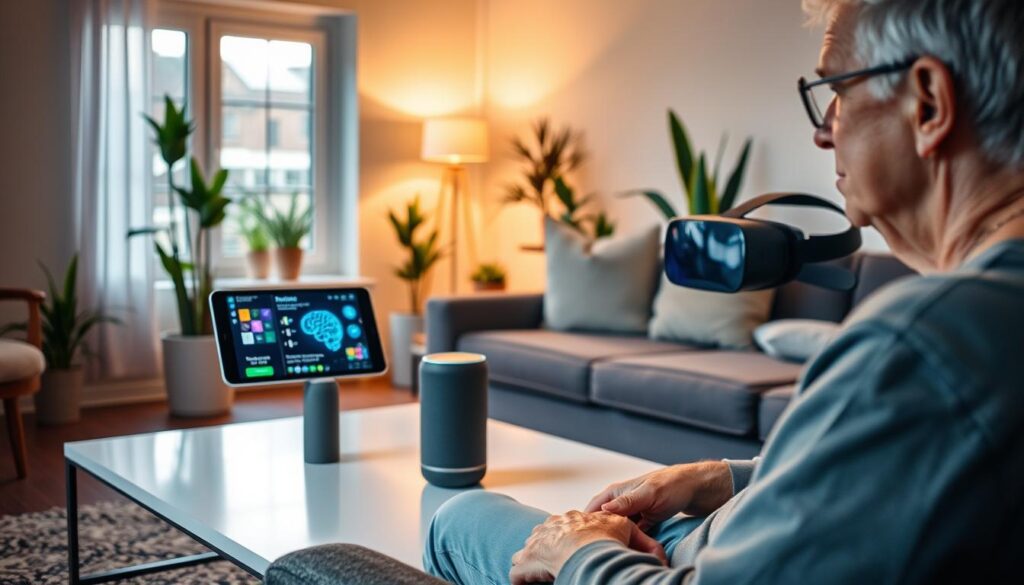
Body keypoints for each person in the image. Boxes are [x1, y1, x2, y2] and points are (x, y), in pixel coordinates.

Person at [423, 0, 1024, 582]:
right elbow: (882, 474)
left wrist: (578, 551)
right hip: (731, 532)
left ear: (928, 103)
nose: (824, 134)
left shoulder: (916, 345)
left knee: (456, 517)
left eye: (837, 92)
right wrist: (724, 477)